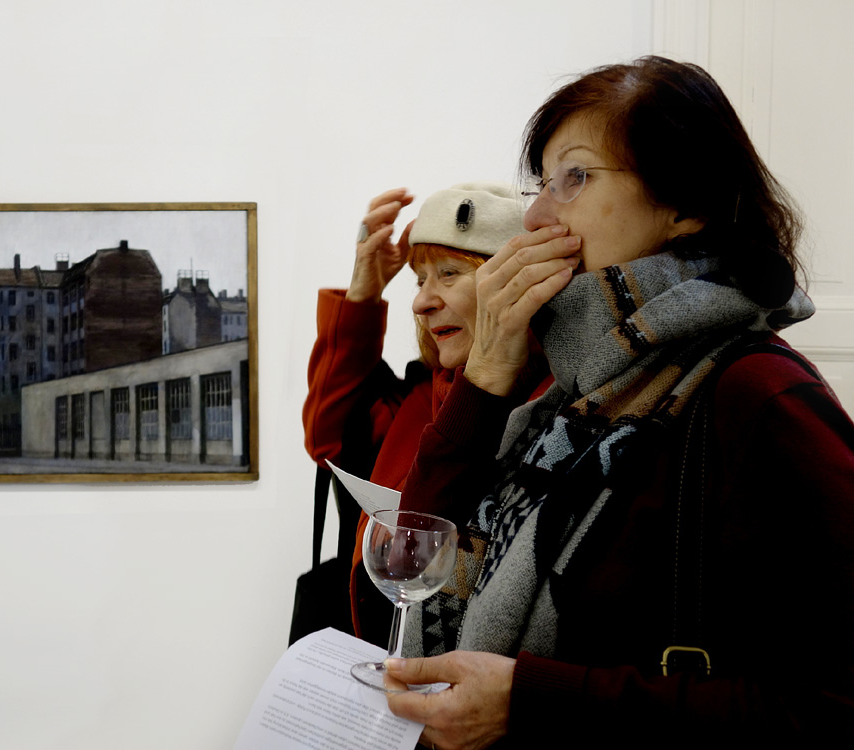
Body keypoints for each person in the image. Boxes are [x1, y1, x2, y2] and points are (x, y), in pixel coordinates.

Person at [381, 56, 854, 745]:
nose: (537, 214)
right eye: (540, 184)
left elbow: (829, 707)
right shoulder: (575, 394)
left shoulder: (760, 397)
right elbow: (411, 567)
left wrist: (531, 701)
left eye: (574, 177)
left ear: (685, 203)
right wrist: (484, 374)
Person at [303, 183, 542, 645]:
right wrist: (363, 292)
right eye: (420, 279)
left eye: (449, 273)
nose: (421, 302)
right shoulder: (422, 395)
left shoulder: (558, 404)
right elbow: (327, 438)